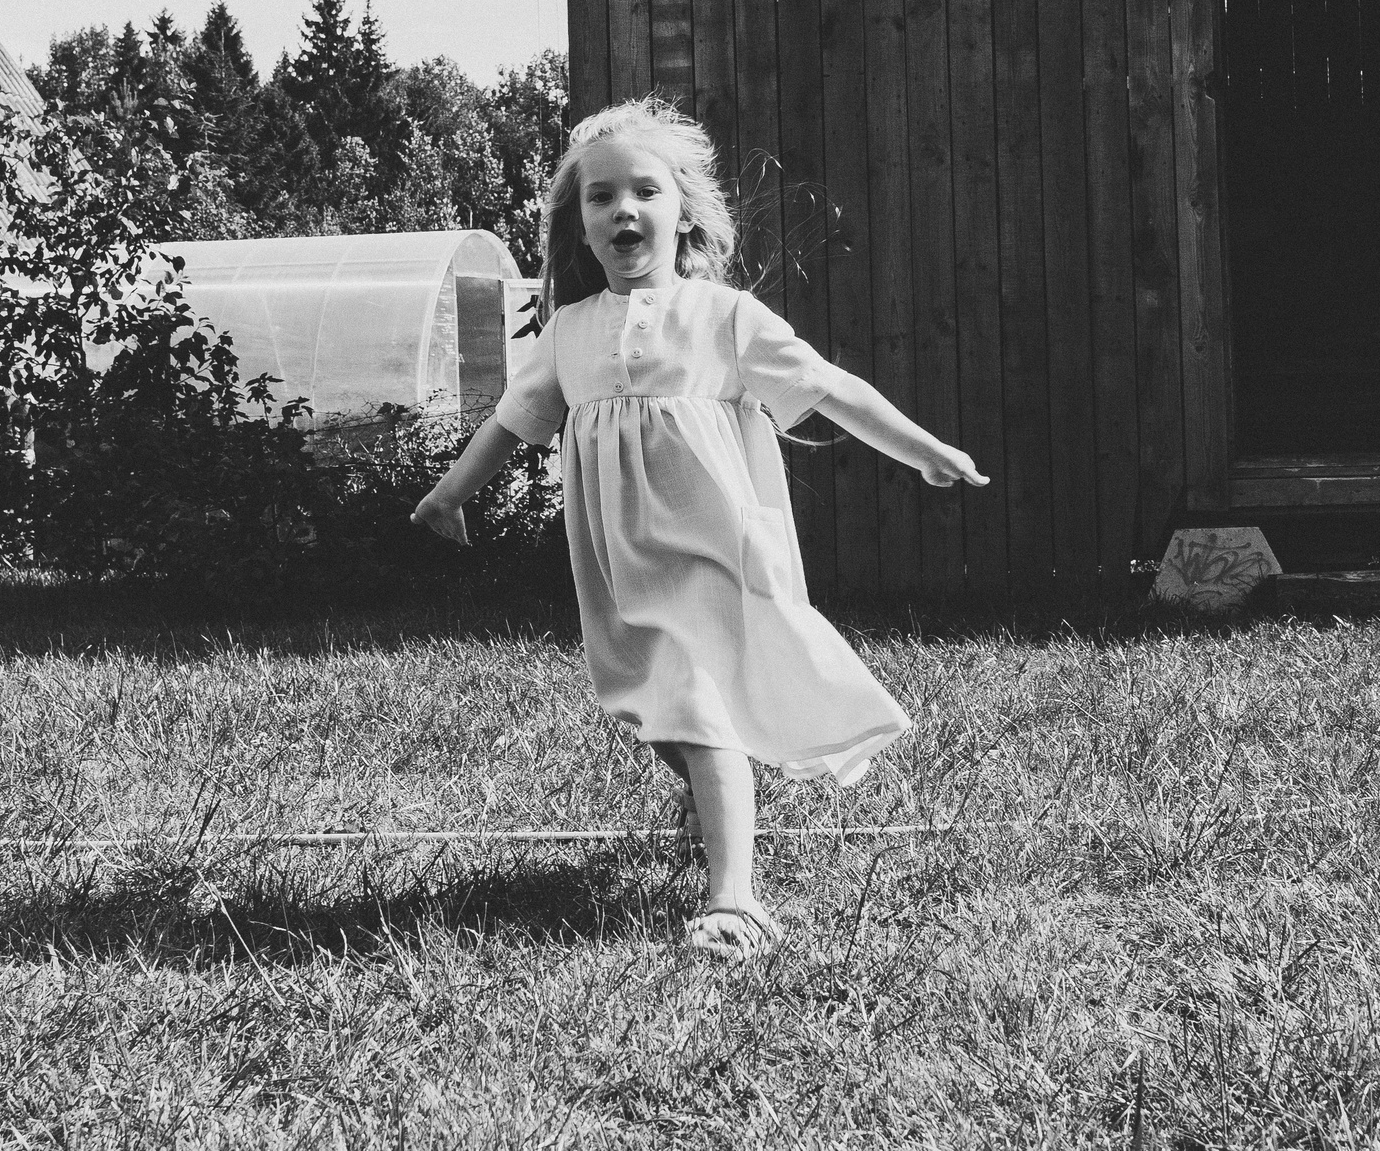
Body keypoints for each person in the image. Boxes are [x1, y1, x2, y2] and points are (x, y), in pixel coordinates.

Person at [412, 97, 987, 959]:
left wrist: (923, 449)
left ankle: (735, 901)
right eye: (601, 197)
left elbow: (831, 388)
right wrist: (448, 495)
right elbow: (511, 420)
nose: (623, 210)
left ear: (684, 211)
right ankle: (717, 806)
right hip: (623, 568)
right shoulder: (568, 331)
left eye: (645, 190)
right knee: (662, 714)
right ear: (580, 222)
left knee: (699, 708)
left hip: (714, 551)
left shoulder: (723, 318)